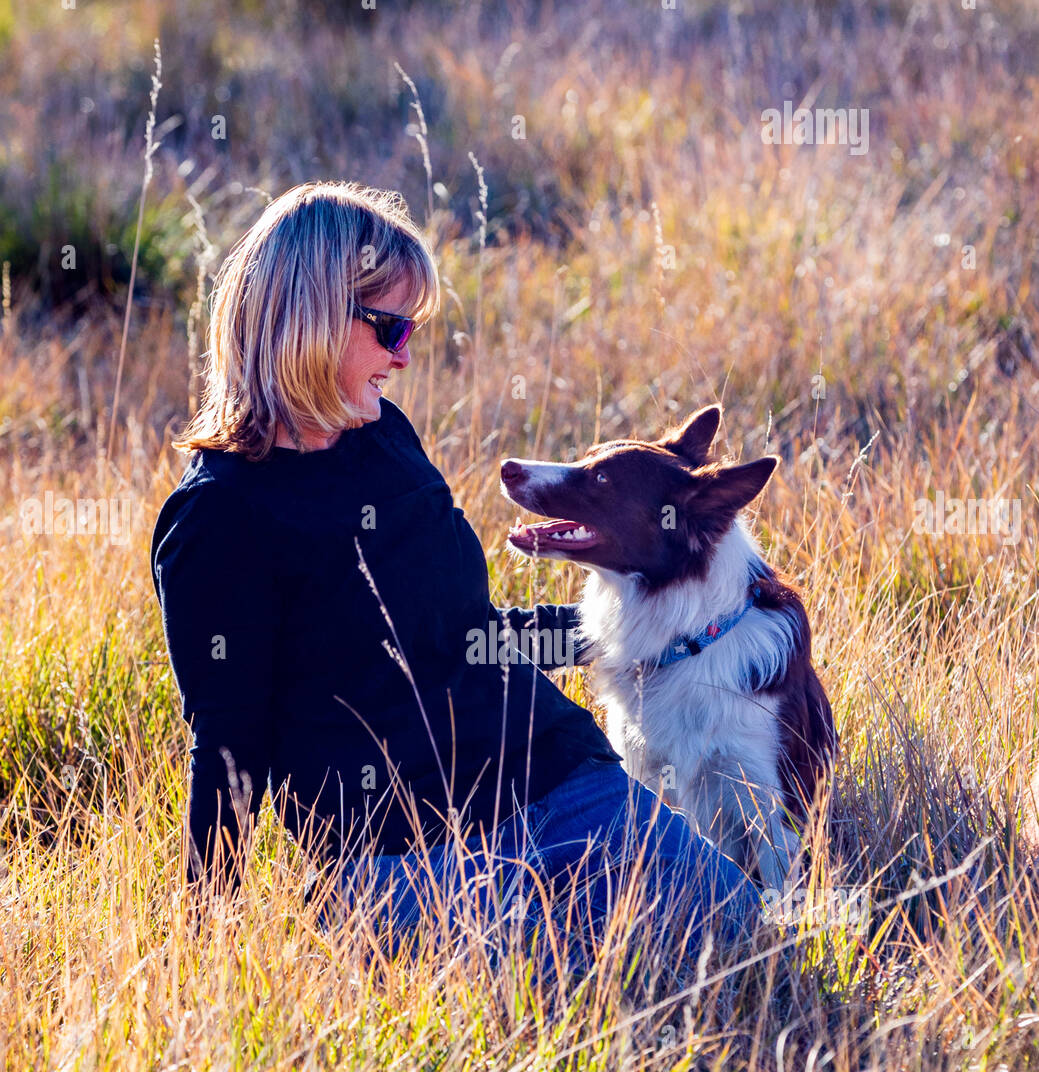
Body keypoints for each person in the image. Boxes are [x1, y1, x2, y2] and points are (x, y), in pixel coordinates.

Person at [150, 181, 758, 963]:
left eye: (414, 329)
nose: (404, 355)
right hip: (405, 854)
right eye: (389, 327)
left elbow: (465, 638)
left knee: (740, 940)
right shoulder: (219, 518)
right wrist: (201, 942)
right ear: (307, 320)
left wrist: (663, 628)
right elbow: (229, 742)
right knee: (567, 996)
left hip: (559, 781)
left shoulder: (383, 438)